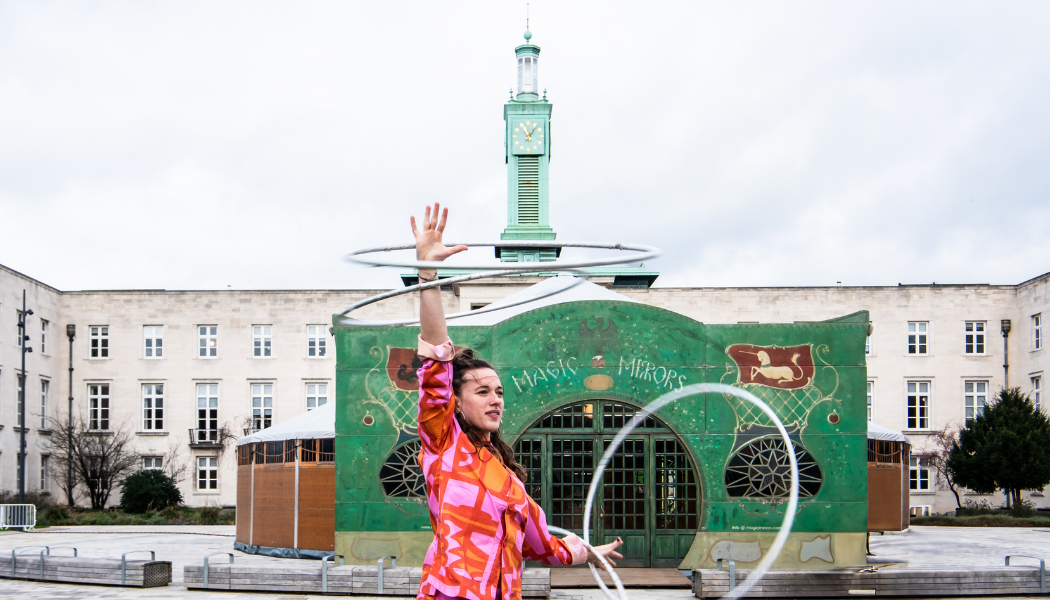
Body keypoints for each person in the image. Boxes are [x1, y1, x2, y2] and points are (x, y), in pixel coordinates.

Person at [412, 203, 623, 600]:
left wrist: (586, 553)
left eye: (500, 392)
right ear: (455, 403)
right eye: (482, 391)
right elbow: (436, 359)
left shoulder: (507, 478)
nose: (496, 401)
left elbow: (539, 545)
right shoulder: (443, 445)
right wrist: (428, 275)